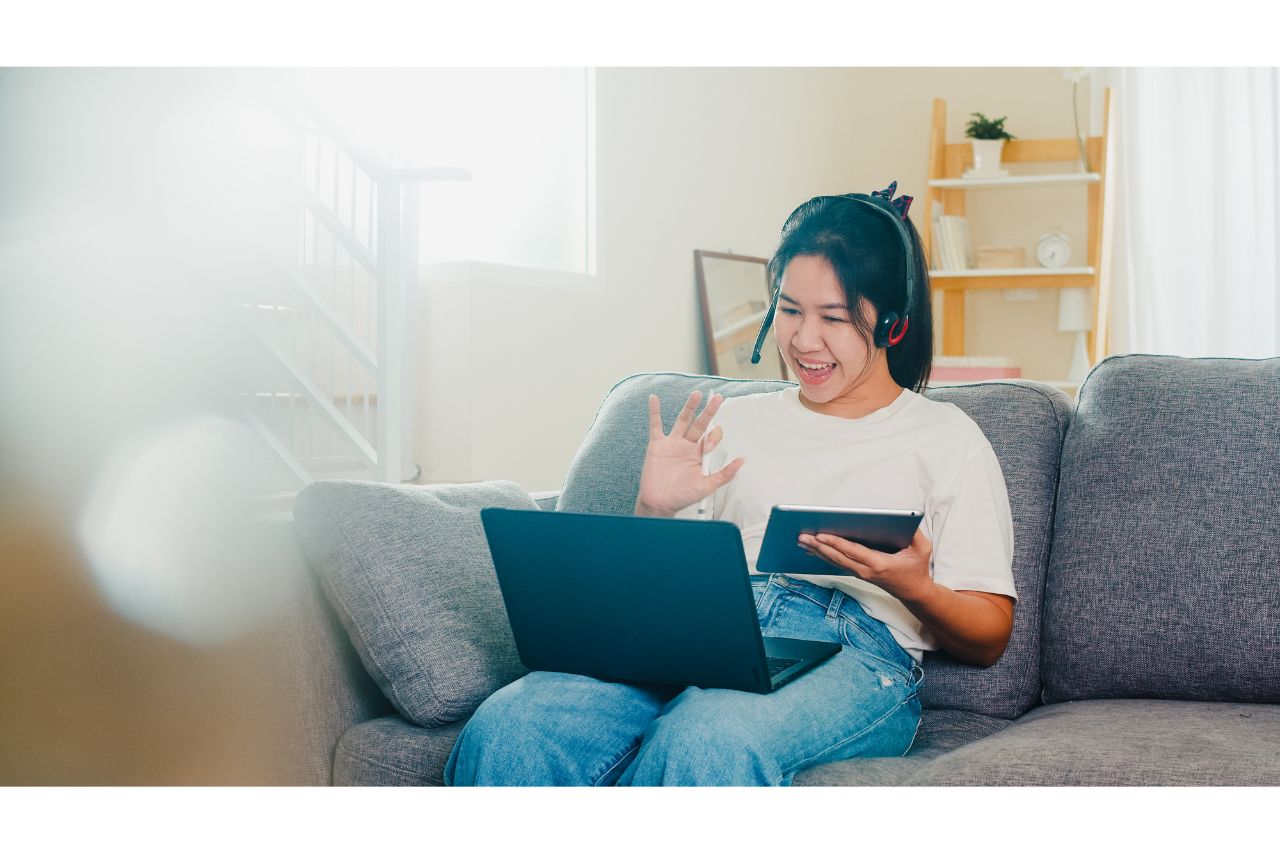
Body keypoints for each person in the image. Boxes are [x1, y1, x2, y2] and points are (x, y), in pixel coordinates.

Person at [445, 182, 1017, 787]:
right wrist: (653, 511)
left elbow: (989, 636)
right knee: (513, 723)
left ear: (892, 326)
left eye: (834, 318)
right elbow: (657, 593)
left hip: (854, 651)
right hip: (703, 633)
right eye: (789, 310)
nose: (804, 341)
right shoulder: (730, 421)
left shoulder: (947, 438)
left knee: (708, 737)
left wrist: (915, 588)